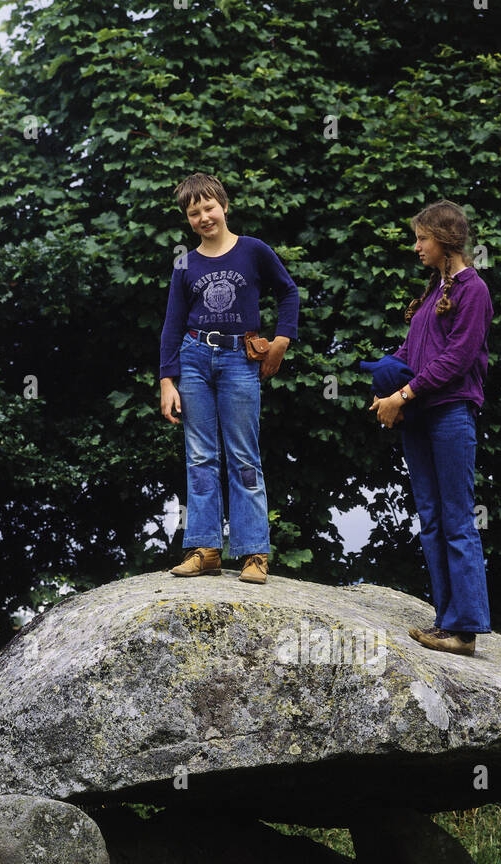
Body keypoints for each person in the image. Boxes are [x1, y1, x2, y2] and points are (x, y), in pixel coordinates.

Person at [159, 172, 300, 585]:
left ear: (224, 205)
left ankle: (254, 553)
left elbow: (288, 292)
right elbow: (172, 323)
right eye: (194, 212)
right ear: (187, 218)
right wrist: (168, 380)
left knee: (244, 455)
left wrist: (281, 341)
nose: (204, 217)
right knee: (200, 456)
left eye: (209, 207)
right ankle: (204, 549)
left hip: (241, 357)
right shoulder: (185, 261)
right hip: (194, 357)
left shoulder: (253, 251)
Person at [370, 200, 492, 655]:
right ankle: (447, 621)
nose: (416, 246)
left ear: (444, 239)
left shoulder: (473, 290)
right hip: (419, 415)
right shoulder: (430, 294)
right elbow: (409, 356)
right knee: (432, 520)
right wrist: (387, 389)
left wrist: (402, 395)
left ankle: (466, 629)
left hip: (450, 414)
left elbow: (456, 360)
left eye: (422, 238)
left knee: (458, 519)